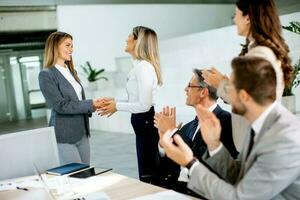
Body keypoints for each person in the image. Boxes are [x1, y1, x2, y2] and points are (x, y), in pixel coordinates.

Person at [160, 56, 300, 200]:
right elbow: (240, 175)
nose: (222, 93)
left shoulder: (284, 140)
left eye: (228, 87)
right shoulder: (260, 126)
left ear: (244, 96)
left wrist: (190, 164)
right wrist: (215, 145)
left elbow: (240, 198)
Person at [154, 69, 238, 197]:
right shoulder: (187, 127)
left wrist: (173, 132)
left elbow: (208, 163)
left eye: (189, 86)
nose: (185, 89)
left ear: (203, 92)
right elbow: (168, 168)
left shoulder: (227, 122)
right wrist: (163, 145)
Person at [98, 26, 162, 183]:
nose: (126, 38)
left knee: (148, 174)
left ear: (138, 41)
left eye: (129, 36)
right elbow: (137, 100)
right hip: (143, 124)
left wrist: (117, 106)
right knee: (147, 171)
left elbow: (144, 105)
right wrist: (115, 102)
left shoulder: (143, 68)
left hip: (146, 123)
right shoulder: (139, 67)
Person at [202, 0, 293, 102]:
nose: (234, 20)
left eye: (236, 14)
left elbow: (252, 103)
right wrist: (226, 83)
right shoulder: (256, 51)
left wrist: (220, 84)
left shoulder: (260, 54)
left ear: (248, 18)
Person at [39, 31, 104, 165]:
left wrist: (94, 104)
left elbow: (78, 99)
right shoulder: (46, 75)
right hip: (64, 134)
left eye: (72, 46)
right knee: (76, 177)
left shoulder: (71, 71)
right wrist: (91, 104)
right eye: (68, 45)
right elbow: (61, 106)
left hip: (82, 132)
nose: (71, 49)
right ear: (55, 46)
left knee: (85, 173)